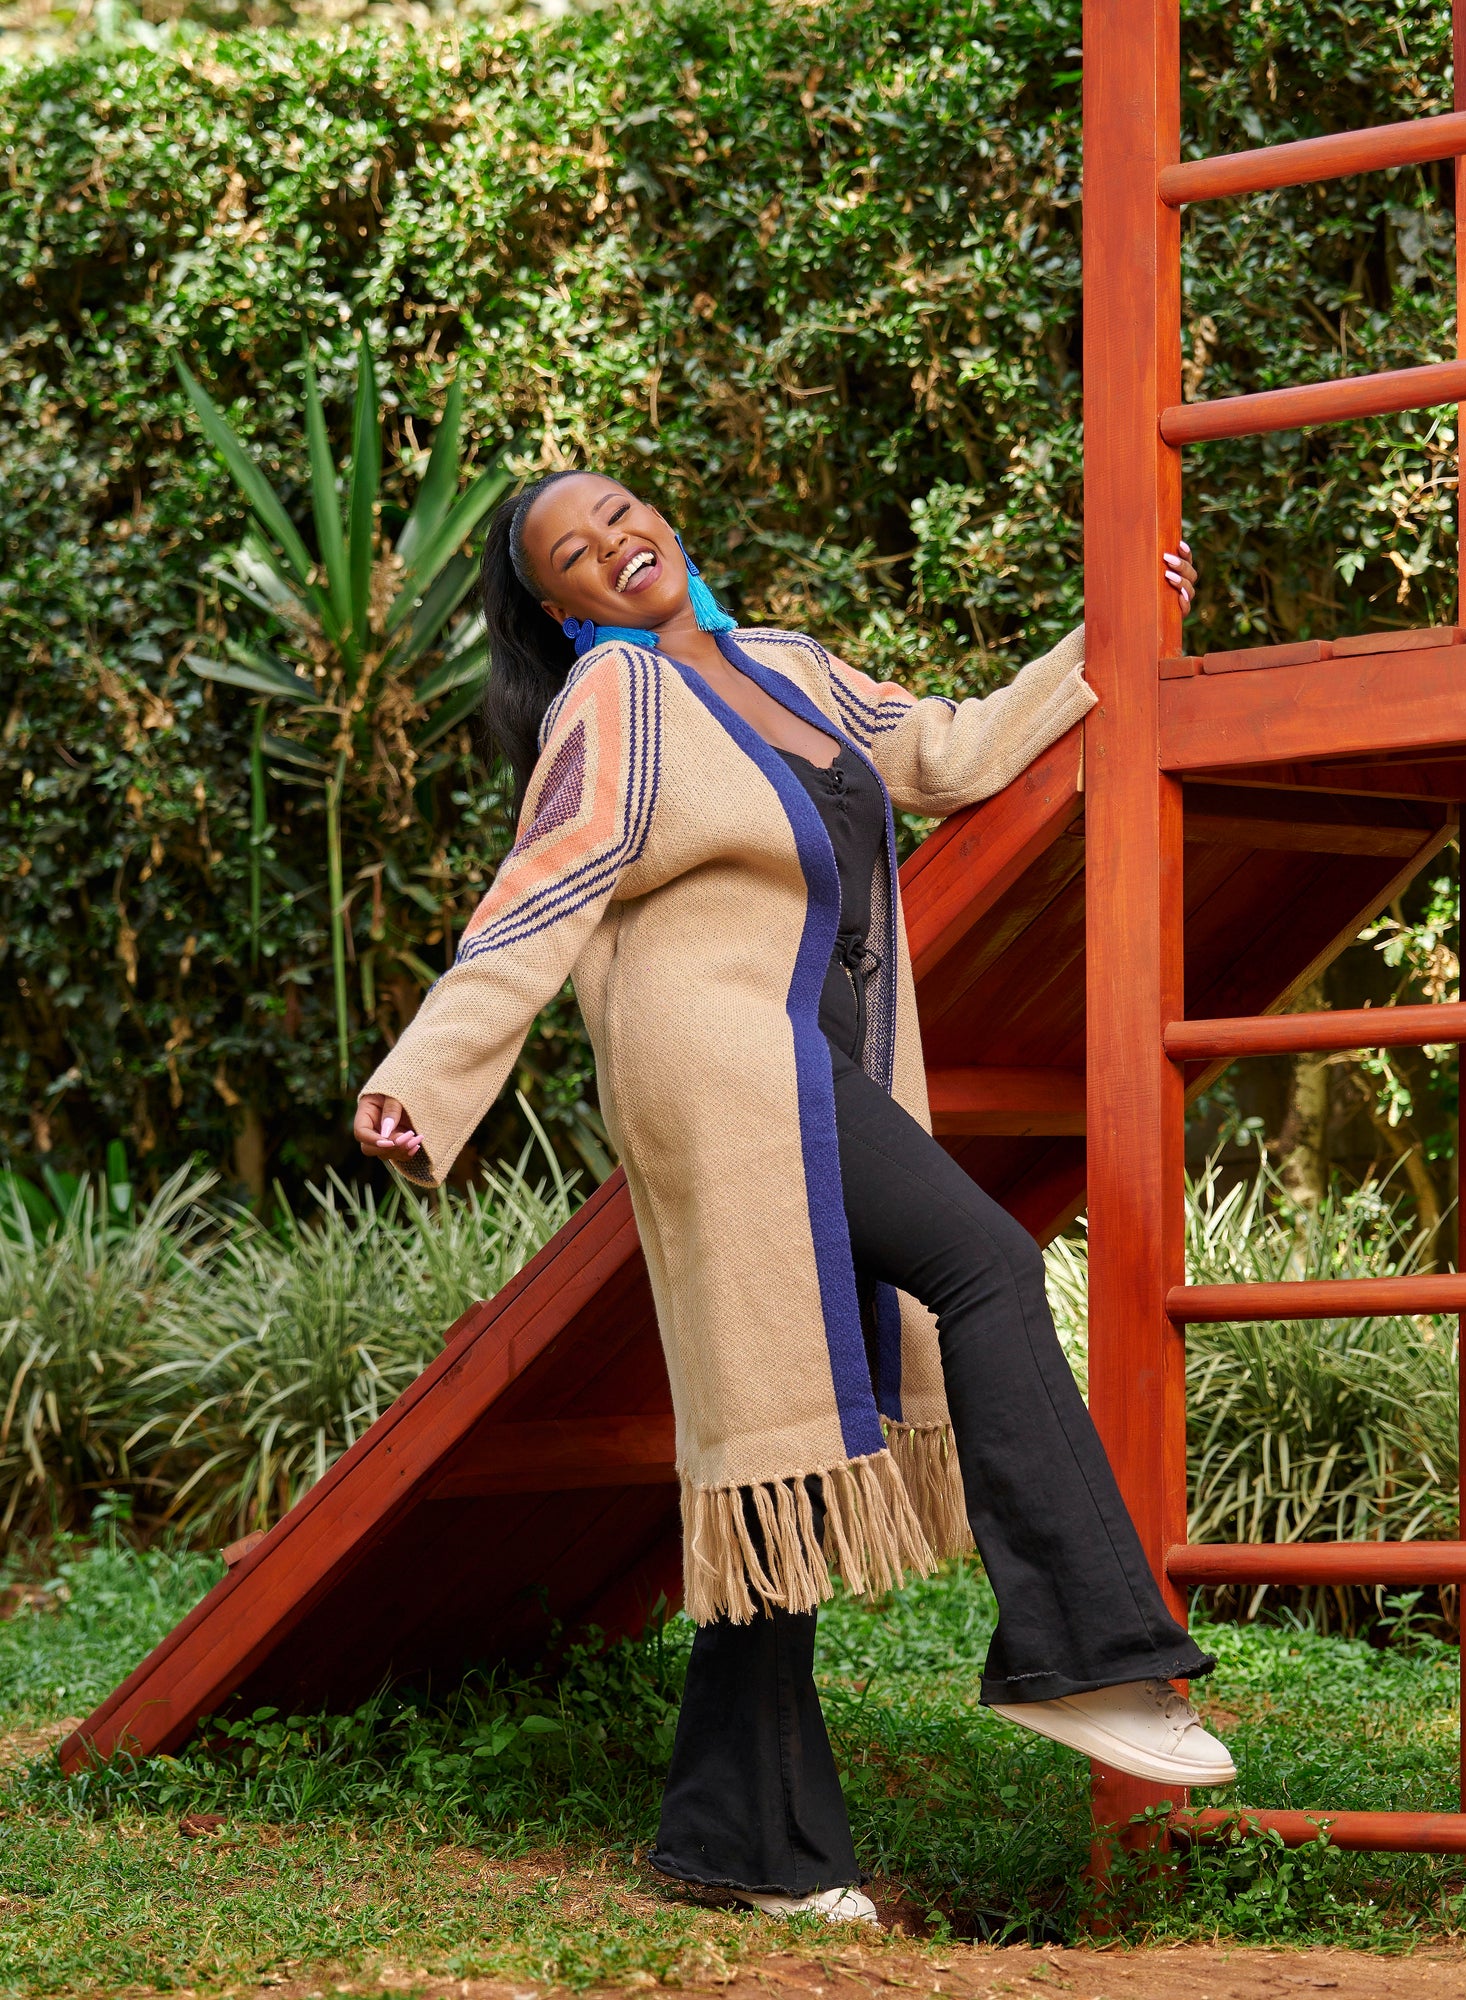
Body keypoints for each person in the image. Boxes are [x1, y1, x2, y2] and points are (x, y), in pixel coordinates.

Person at [354, 472, 1229, 1927]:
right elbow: (543, 887)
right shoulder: (613, 703)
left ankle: (746, 1838)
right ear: (561, 609)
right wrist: (430, 1075)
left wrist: (1114, 631)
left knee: (786, 1448)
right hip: (720, 1062)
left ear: (665, 521)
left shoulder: (786, 665)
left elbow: (946, 752)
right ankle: (1085, 1654)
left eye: (620, 514)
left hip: (820, 1061)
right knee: (987, 1267)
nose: (614, 545)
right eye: (574, 553)